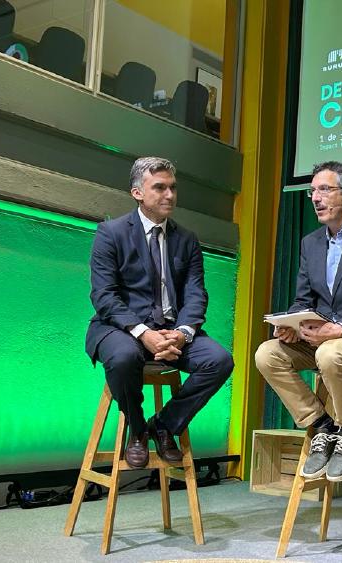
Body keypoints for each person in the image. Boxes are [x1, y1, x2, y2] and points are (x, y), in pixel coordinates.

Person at [85, 156, 234, 469]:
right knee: (124, 358)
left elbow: (196, 294)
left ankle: (164, 424)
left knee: (219, 360)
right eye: (160, 187)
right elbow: (104, 296)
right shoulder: (110, 233)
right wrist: (144, 333)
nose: (170, 195)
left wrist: (182, 333)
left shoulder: (187, 239)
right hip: (122, 329)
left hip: (172, 331)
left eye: (173, 188)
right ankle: (137, 430)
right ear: (138, 193)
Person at [255, 161, 342, 482]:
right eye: (312, 191)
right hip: (318, 343)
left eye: (324, 189)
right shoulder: (311, 242)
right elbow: (304, 298)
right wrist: (292, 323)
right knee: (267, 353)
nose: (315, 198)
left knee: (331, 352)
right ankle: (320, 425)